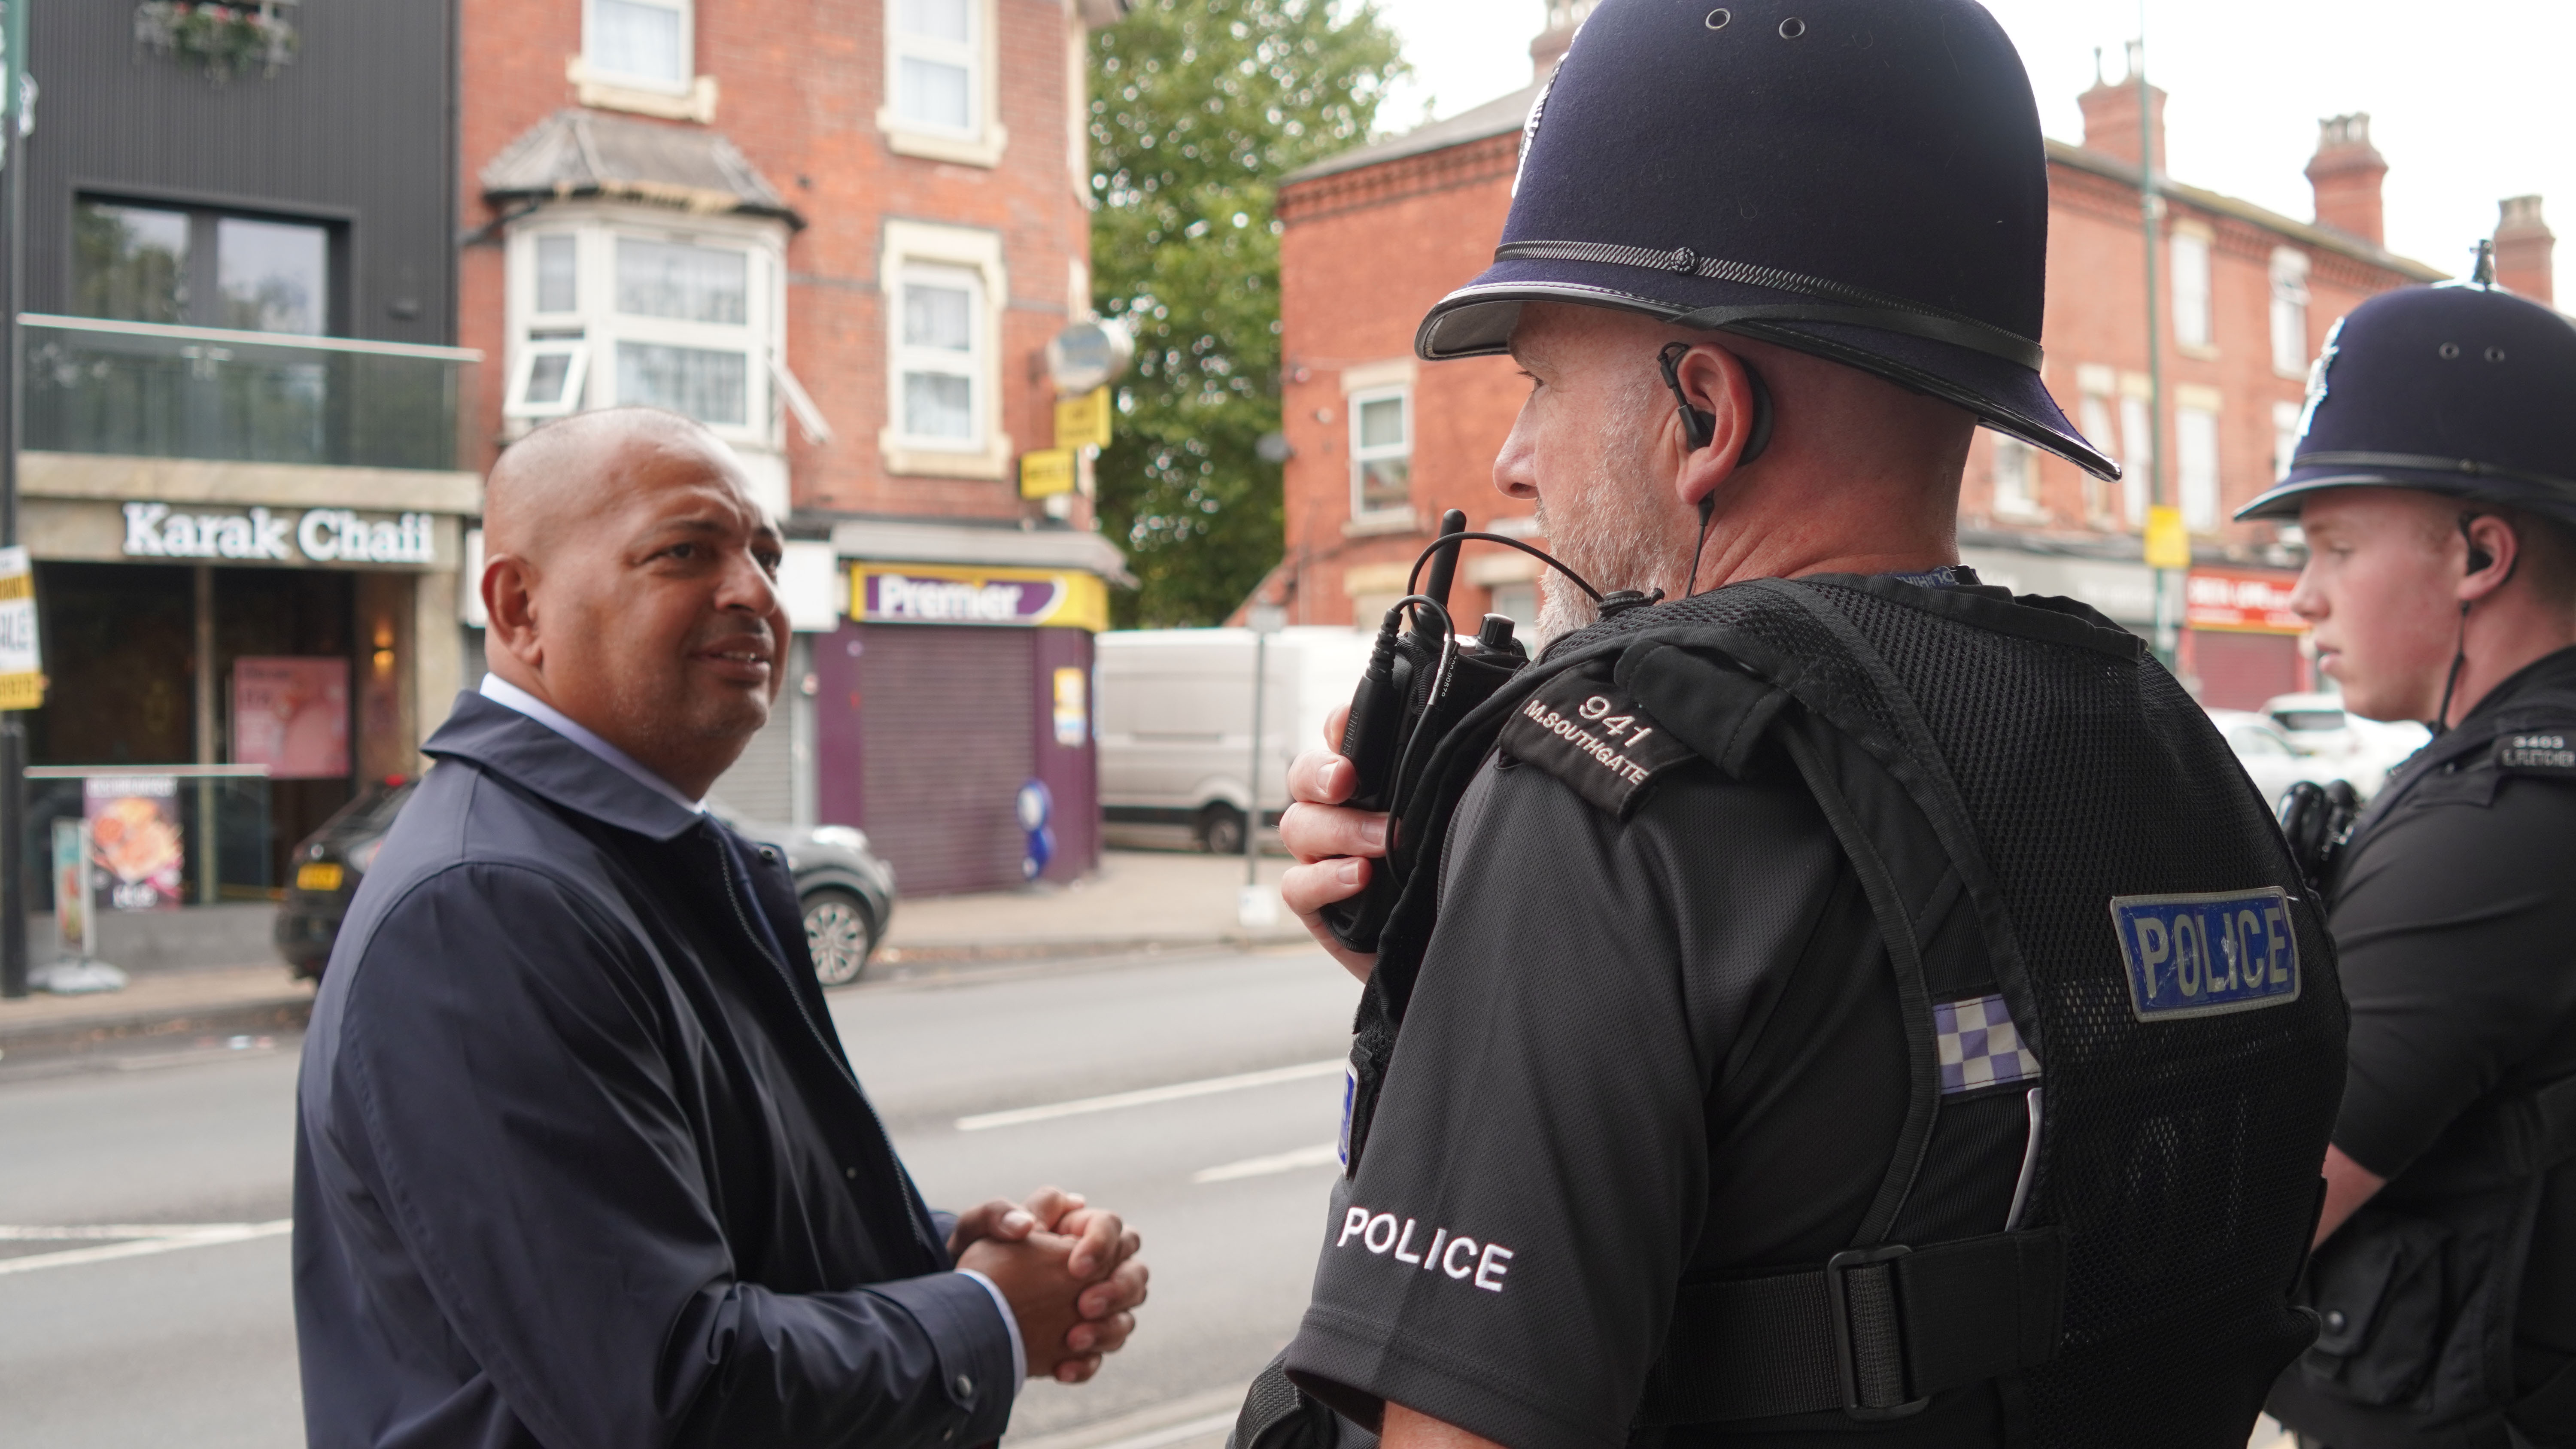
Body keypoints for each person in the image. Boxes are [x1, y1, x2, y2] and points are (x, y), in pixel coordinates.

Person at [1242, 3, 2348, 1447]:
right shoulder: (2166, 750)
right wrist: (1461, 981)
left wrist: (1514, 933)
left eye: (1538, 385)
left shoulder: (1612, 786)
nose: (1511, 464)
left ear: (1704, 415)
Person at [294, 407, 1149, 1449]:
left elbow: (702, 1221)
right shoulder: (486, 905)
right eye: (686, 551)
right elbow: (667, 1394)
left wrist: (948, 1252)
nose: (754, 591)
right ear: (520, 608)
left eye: (765, 554)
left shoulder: (633, 855)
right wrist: (988, 1315)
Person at [2239, 275, 2576, 1449]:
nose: (2302, 597)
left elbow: (2254, 1219)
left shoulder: (2502, 827)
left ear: (2480, 554)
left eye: (2333, 544)